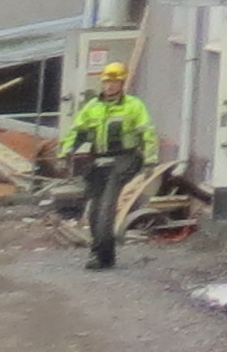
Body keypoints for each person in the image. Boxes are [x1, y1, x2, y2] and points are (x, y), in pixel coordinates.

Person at [61, 63, 157, 270]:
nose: (110, 86)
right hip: (99, 159)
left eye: (114, 82)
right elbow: (76, 132)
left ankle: (98, 254)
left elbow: (148, 133)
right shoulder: (92, 107)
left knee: (107, 207)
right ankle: (105, 255)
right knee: (95, 210)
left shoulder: (133, 106)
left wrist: (150, 160)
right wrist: (65, 153)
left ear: (121, 83)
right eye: (106, 82)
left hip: (125, 158)